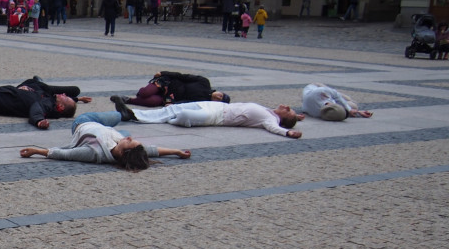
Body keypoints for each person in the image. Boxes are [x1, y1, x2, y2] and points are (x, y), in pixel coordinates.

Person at [19, 116, 190, 171]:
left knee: (115, 116)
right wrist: (176, 151)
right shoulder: (122, 143)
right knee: (118, 121)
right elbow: (152, 151)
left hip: (84, 123)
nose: (130, 140)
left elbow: (63, 154)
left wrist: (36, 150)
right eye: (131, 141)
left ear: (124, 153)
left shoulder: (94, 152)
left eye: (129, 143)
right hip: (110, 132)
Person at [111, 96, 304, 138]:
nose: (286, 106)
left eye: (289, 110)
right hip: (214, 106)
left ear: (283, 118)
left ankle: (135, 115)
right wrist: (299, 117)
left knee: (181, 114)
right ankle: (133, 114)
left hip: (216, 116)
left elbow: (274, 128)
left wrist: (288, 132)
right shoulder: (270, 112)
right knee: (174, 109)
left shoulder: (270, 120)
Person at [125, 72, 230, 108]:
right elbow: (183, 76)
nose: (217, 97)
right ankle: (141, 95)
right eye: (220, 95)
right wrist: (163, 73)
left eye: (219, 100)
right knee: (145, 93)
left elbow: (186, 103)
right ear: (219, 91)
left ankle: (127, 100)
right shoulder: (204, 82)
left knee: (153, 102)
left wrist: (173, 104)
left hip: (169, 97)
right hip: (168, 83)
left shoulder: (203, 102)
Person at [301, 83, 372, 121]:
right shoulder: (323, 113)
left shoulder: (320, 92)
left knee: (346, 99)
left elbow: (337, 95)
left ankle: (348, 100)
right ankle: (349, 102)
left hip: (314, 86)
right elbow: (339, 112)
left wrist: (349, 110)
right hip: (321, 100)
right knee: (354, 106)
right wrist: (358, 112)